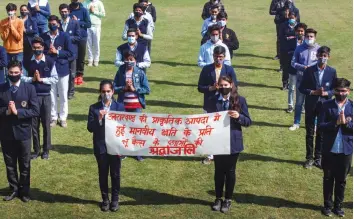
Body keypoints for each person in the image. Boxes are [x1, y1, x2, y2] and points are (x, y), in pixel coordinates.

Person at [207, 75, 251, 213]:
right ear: (218, 86)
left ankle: (228, 199)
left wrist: (239, 117)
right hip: (218, 141)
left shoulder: (240, 100)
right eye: (222, 85)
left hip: (233, 141)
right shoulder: (212, 100)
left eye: (227, 85)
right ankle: (218, 198)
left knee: (230, 171)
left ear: (231, 85)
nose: (224, 88)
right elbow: (206, 120)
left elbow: (248, 121)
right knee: (219, 171)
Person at [0, 60, 39, 202]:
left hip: (23, 133)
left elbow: (35, 110)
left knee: (25, 163)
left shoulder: (29, 89)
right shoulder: (1, 88)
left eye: (16, 72)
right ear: (7, 73)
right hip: (6, 134)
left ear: (21, 72)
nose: (14, 75)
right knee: (10, 164)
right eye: (11, 73)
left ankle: (24, 191)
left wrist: (18, 112)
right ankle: (13, 189)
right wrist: (7, 112)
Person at [87, 80, 125, 212]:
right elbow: (90, 128)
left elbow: (124, 127)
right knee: (103, 174)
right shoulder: (94, 108)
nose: (106, 94)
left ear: (113, 92)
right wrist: (99, 119)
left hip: (115, 147)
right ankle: (105, 200)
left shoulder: (119, 107)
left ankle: (115, 200)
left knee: (115, 174)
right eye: (103, 91)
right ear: (100, 92)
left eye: (108, 91)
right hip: (101, 147)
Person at [299, 46, 337, 169]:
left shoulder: (332, 71)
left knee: (321, 133)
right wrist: (313, 92)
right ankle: (309, 158)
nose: (322, 58)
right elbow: (301, 88)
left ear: (328, 57)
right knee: (310, 133)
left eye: (325, 56)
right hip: (311, 104)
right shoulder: (309, 70)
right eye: (320, 55)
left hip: (324, 106)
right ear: (317, 56)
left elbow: (335, 89)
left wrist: (328, 93)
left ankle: (318, 158)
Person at [319, 78, 352, 217]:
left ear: (348, 91)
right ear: (334, 91)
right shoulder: (326, 105)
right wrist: (335, 122)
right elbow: (320, 126)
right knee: (328, 178)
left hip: (345, 150)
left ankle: (338, 206)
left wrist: (346, 124)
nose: (340, 93)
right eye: (338, 91)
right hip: (329, 149)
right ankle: (327, 205)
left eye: (343, 91)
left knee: (341, 180)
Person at [198, 46, 238, 165]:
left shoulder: (229, 69)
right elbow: (200, 87)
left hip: (225, 104)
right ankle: (210, 155)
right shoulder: (206, 69)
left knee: (224, 129)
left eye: (220, 57)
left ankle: (223, 153)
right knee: (209, 130)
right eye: (216, 56)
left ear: (224, 57)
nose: (218, 59)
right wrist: (211, 88)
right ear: (213, 56)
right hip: (210, 104)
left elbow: (235, 86)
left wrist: (231, 100)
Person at [22, 36, 58, 160]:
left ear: (43, 47)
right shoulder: (27, 62)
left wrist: (41, 79)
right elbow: (22, 77)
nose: (37, 49)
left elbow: (55, 78)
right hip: (32, 98)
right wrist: (32, 79)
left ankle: (46, 150)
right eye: (35, 48)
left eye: (39, 47)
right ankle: (36, 150)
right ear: (32, 48)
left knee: (46, 124)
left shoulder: (50, 61)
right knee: (34, 125)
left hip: (45, 97)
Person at [113, 51, 150, 162]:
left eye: (131, 60)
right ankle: (123, 152)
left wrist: (135, 89)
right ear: (124, 60)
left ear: (135, 60)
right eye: (127, 59)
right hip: (123, 105)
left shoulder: (140, 72)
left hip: (136, 105)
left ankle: (137, 152)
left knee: (136, 129)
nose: (129, 62)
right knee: (123, 129)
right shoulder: (120, 71)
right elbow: (114, 87)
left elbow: (147, 89)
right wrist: (124, 88)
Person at [40, 15, 74, 128]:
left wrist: (57, 52)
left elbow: (71, 53)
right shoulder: (44, 37)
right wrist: (48, 52)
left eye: (54, 23)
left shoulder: (65, 36)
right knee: (52, 95)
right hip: (49, 70)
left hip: (62, 70)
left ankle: (63, 118)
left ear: (58, 24)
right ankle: (53, 117)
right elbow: (40, 51)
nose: (52, 25)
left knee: (63, 95)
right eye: (50, 23)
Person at [289, 28, 320, 131]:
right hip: (301, 80)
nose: (309, 38)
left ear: (315, 38)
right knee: (299, 103)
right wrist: (303, 67)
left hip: (314, 81)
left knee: (313, 105)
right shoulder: (299, 48)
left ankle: (314, 124)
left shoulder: (318, 49)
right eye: (307, 36)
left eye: (311, 36)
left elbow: (322, 64)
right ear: (304, 37)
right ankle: (296, 123)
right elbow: (293, 63)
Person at [59, 4, 81, 100]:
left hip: (72, 52)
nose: (64, 13)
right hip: (61, 53)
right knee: (61, 73)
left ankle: (71, 92)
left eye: (65, 11)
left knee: (72, 74)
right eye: (62, 12)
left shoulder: (74, 23)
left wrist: (67, 38)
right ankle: (61, 91)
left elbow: (78, 37)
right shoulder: (58, 23)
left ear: (68, 12)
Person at [69, 0, 91, 85]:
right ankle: (73, 75)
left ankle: (80, 75)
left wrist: (77, 22)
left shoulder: (84, 10)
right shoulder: (68, 9)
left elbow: (88, 24)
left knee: (81, 56)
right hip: (72, 37)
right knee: (73, 56)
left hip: (82, 36)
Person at [286, 22, 306, 113]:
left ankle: (302, 106)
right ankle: (290, 105)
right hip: (293, 69)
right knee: (292, 88)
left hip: (304, 70)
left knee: (303, 88)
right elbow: (287, 52)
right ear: (295, 31)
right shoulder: (290, 41)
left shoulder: (308, 43)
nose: (300, 33)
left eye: (302, 31)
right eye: (298, 31)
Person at [82, 0, 105, 67]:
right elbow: (83, 14)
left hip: (96, 26)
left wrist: (94, 11)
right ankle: (90, 60)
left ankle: (96, 60)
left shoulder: (99, 3)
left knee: (96, 43)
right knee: (88, 44)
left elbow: (103, 14)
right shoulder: (85, 3)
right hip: (88, 26)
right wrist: (88, 12)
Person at [278, 11, 298, 90]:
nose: (291, 19)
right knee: (285, 67)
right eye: (290, 18)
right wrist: (288, 38)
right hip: (285, 50)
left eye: (292, 18)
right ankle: (285, 83)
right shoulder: (283, 25)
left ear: (296, 18)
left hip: (295, 50)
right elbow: (280, 37)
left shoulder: (299, 26)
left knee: (295, 68)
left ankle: (294, 84)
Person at [19, 4, 38, 72]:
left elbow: (35, 30)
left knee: (29, 61)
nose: (23, 11)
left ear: (28, 11)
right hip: (19, 44)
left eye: (25, 10)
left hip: (29, 44)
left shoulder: (32, 19)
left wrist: (26, 30)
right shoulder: (17, 19)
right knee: (20, 61)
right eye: (22, 10)